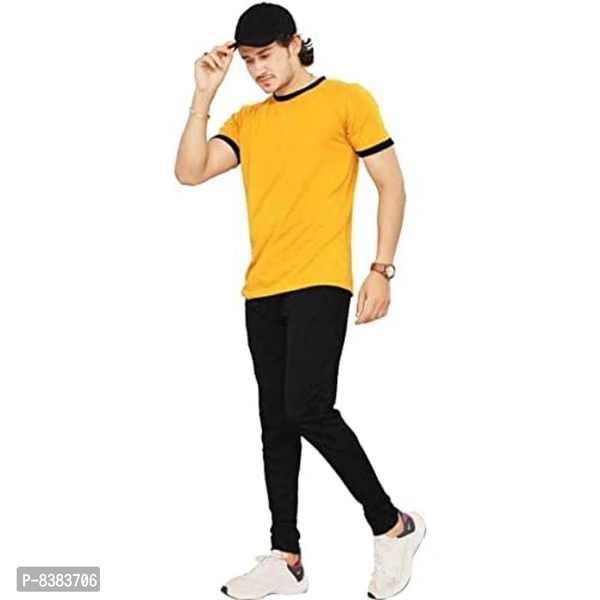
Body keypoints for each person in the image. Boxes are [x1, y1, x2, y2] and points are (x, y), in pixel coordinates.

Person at [174, 3, 426, 598]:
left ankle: (393, 526)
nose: (258, 70)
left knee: (308, 408)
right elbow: (190, 172)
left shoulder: (346, 100)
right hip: (262, 288)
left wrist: (381, 269)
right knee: (276, 423)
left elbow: (390, 183)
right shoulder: (247, 120)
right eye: (248, 61)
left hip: (321, 280)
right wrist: (203, 95)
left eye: (266, 56)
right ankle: (286, 557)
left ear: (294, 44)